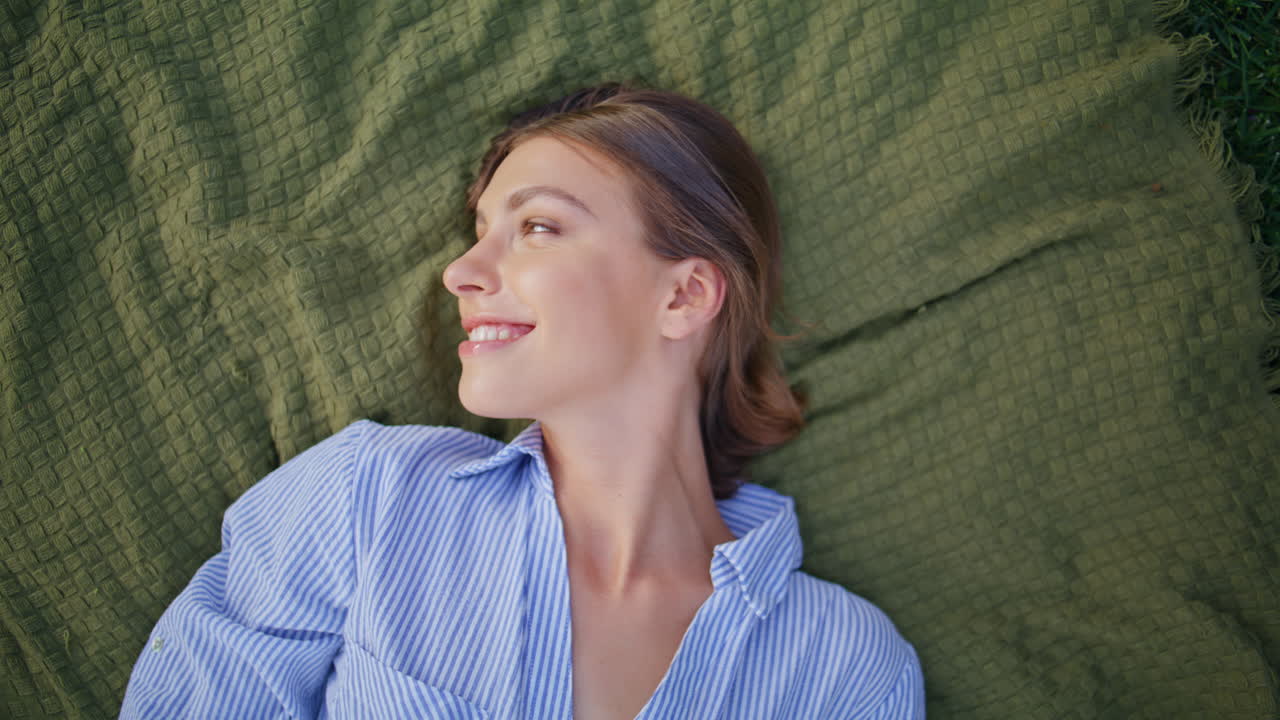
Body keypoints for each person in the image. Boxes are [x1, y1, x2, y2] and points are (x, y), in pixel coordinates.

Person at [120, 83, 924, 719]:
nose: (461, 272)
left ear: (683, 296)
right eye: (479, 230)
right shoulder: (366, 500)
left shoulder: (848, 672)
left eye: (537, 226)